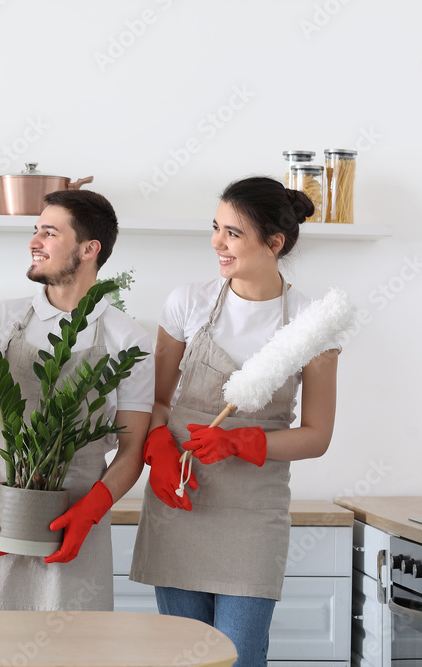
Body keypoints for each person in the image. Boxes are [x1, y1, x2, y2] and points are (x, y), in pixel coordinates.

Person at [130, 177, 340, 666]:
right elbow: (157, 401)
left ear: (274, 244)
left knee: (241, 656)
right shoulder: (189, 302)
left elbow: (317, 435)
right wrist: (158, 451)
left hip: (253, 511)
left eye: (232, 233)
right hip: (180, 496)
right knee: (181, 657)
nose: (217, 244)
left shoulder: (313, 323)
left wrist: (244, 443)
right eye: (215, 228)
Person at [0, 189, 155, 610]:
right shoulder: (0, 321)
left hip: (79, 524)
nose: (34, 242)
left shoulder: (128, 339)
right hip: (1, 518)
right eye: (35, 230)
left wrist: (92, 510)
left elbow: (133, 447)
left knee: (77, 647)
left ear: (88, 249)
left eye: (49, 232)